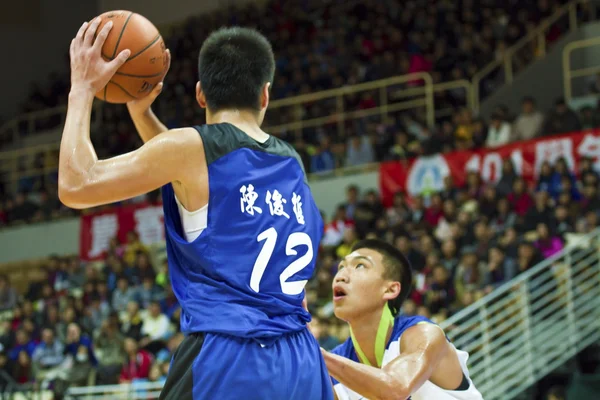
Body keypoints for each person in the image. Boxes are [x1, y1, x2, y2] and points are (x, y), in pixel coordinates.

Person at [60, 20, 331, 400]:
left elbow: (75, 185)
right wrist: (141, 114)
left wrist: (81, 89)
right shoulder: (290, 163)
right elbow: (194, 175)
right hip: (300, 360)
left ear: (201, 94)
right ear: (265, 94)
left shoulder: (190, 149)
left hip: (231, 355)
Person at [321, 239, 483, 400]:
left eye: (360, 266)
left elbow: (396, 390)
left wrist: (320, 357)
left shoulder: (424, 335)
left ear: (391, 289)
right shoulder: (336, 364)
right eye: (341, 267)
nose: (340, 275)